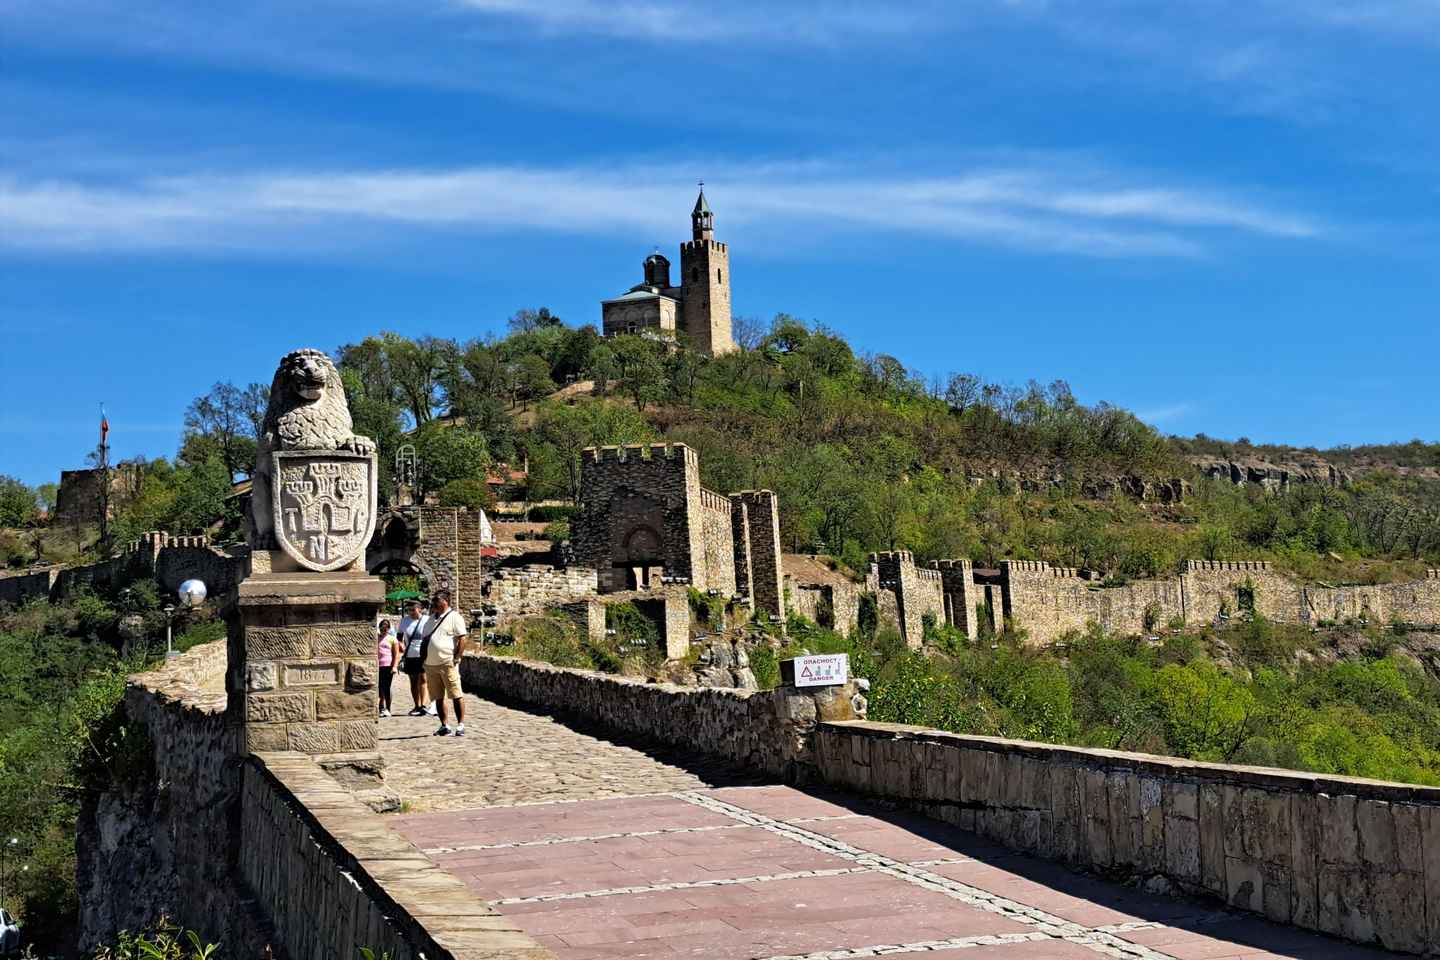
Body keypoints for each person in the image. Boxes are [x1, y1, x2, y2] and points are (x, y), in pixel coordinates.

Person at [422, 588, 468, 737]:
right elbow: (425, 638)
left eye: (437, 601)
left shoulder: (455, 617)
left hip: (447, 662)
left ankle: (460, 725)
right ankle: (444, 725)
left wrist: (457, 657)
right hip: (430, 664)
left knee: (456, 694)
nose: (434, 604)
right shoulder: (430, 619)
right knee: (438, 697)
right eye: (433, 601)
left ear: (445, 602)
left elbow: (462, 638)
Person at [398, 599, 435, 717]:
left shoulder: (427, 620)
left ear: (420, 609)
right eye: (409, 610)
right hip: (410, 655)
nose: (411, 612)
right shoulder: (404, 621)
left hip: (423, 654)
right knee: (413, 681)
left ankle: (423, 705)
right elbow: (399, 636)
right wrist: (400, 644)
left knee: (423, 679)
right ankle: (417, 705)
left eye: (413, 609)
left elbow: (432, 636)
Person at [375, 618, 400, 717]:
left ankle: (388, 708)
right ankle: (381, 707)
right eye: (382, 628)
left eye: (385, 629)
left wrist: (394, 666)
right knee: (379, 687)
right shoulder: (376, 638)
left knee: (386, 687)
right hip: (378, 666)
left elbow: (396, 654)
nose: (383, 630)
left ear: (389, 629)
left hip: (388, 665)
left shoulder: (392, 639)